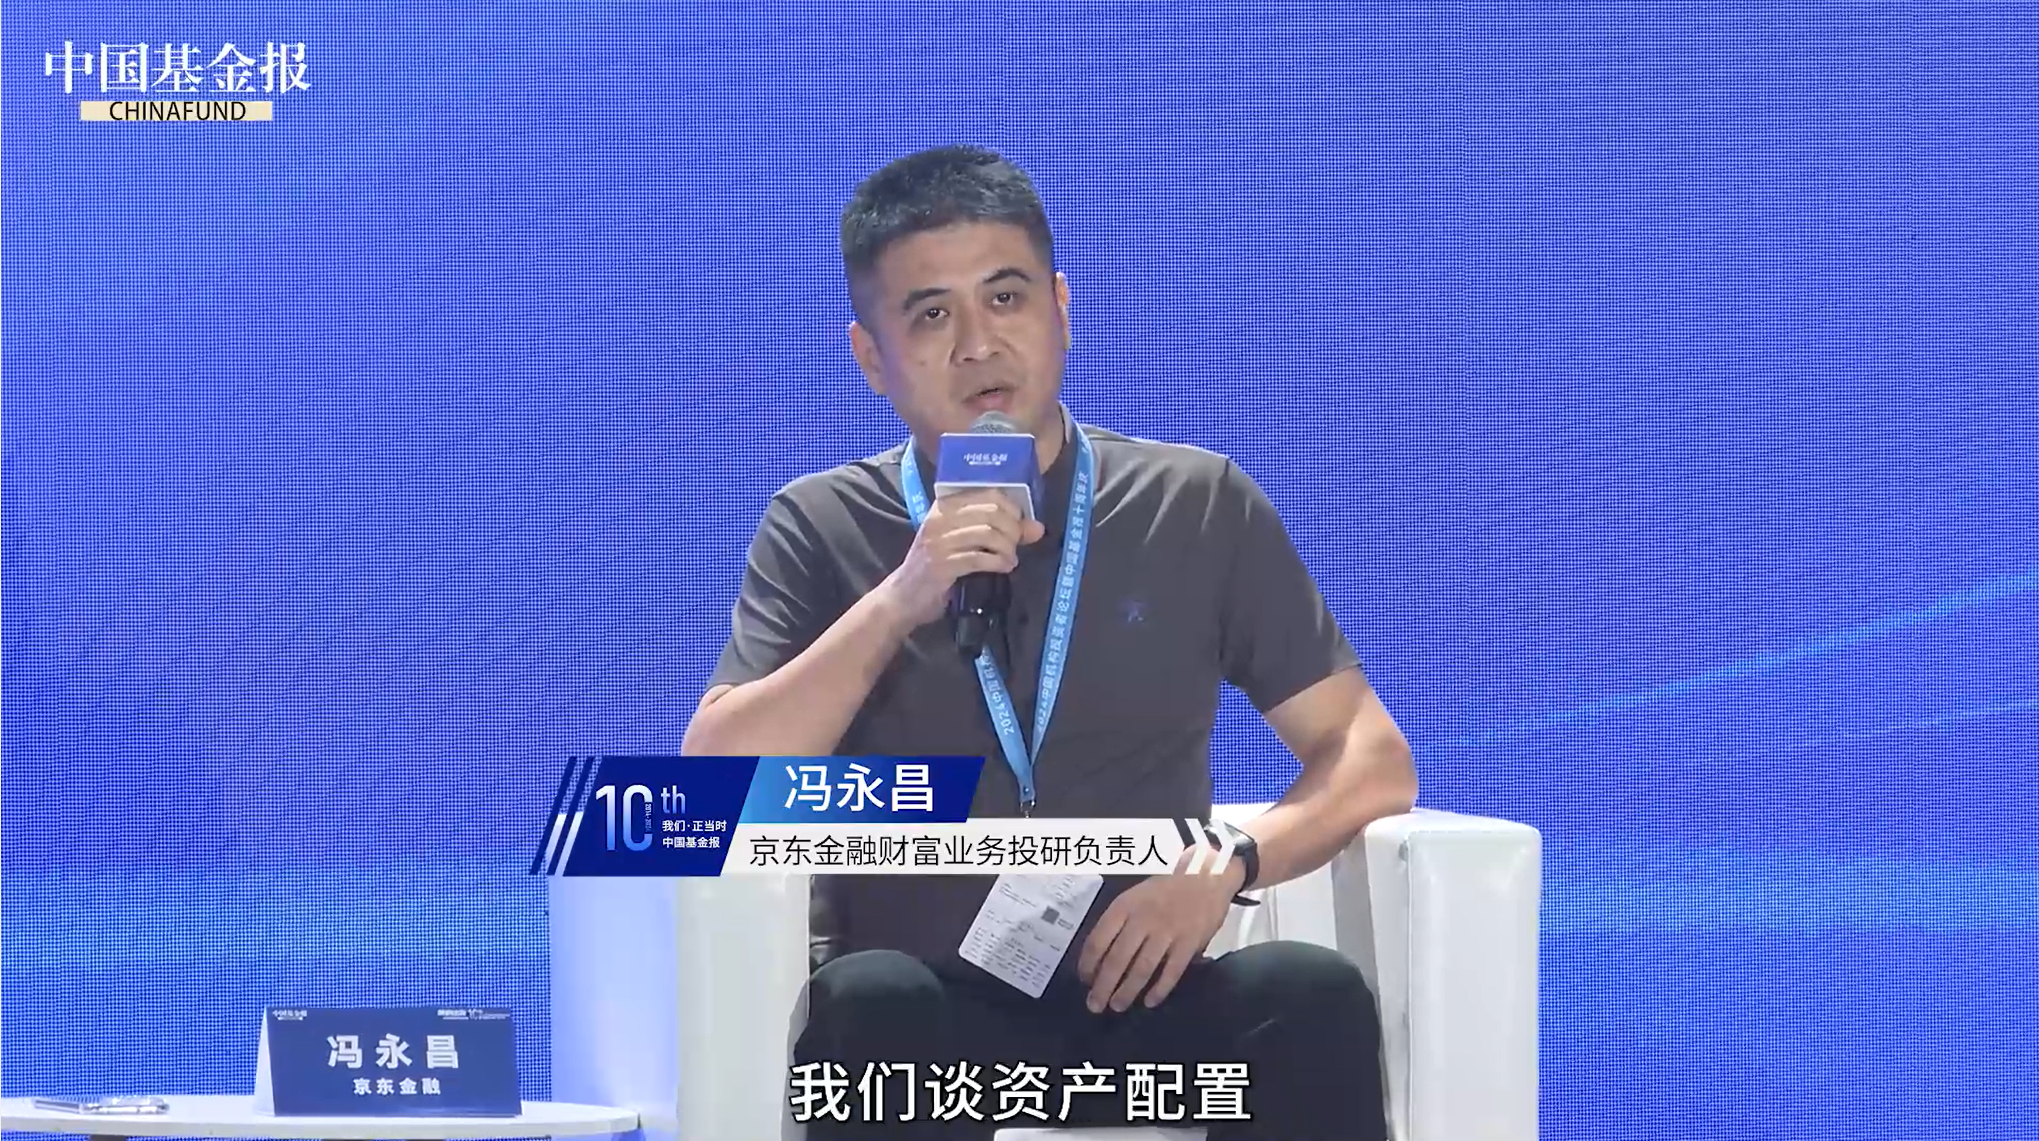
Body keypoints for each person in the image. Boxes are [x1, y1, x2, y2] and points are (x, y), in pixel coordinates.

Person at [681, 144, 1419, 1141]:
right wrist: (904, 594)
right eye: (930, 315)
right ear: (870, 358)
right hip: (928, 1023)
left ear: (1061, 308)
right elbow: (714, 784)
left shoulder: (1194, 503)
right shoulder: (820, 525)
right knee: (870, 1005)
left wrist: (1230, 859)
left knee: (1306, 994)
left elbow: (1368, 756)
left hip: (1141, 1002)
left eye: (1006, 298)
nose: (977, 345)